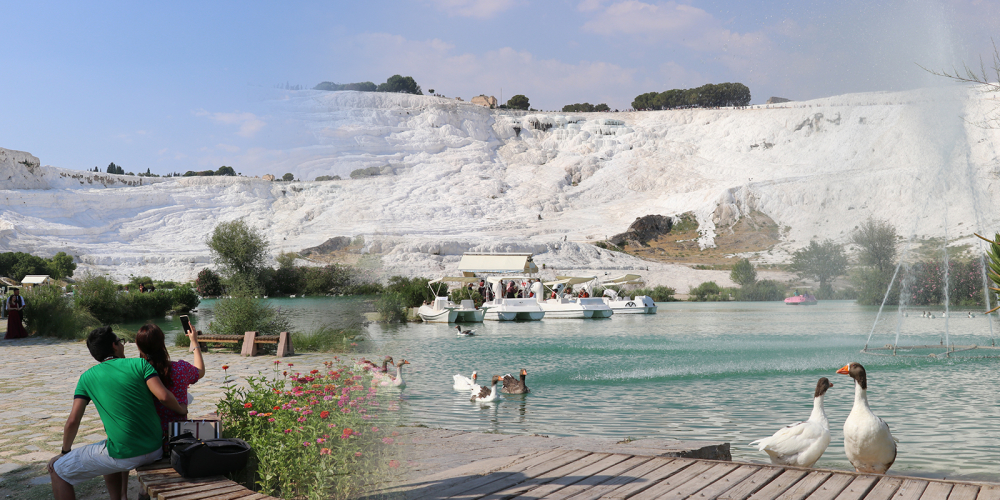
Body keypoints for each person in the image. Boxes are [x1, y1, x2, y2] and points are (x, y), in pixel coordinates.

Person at [48, 326, 188, 500]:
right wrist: (181, 409)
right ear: (115, 346)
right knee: (106, 450)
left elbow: (73, 420)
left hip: (125, 454)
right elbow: (164, 396)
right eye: (121, 342)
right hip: (155, 448)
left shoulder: (87, 377)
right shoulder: (140, 364)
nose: (123, 346)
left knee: (58, 470)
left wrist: (64, 451)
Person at [135, 323, 205, 435]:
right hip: (177, 435)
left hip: (150, 435)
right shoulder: (180, 369)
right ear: (162, 343)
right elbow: (200, 371)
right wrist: (194, 342)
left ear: (138, 346)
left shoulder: (136, 373)